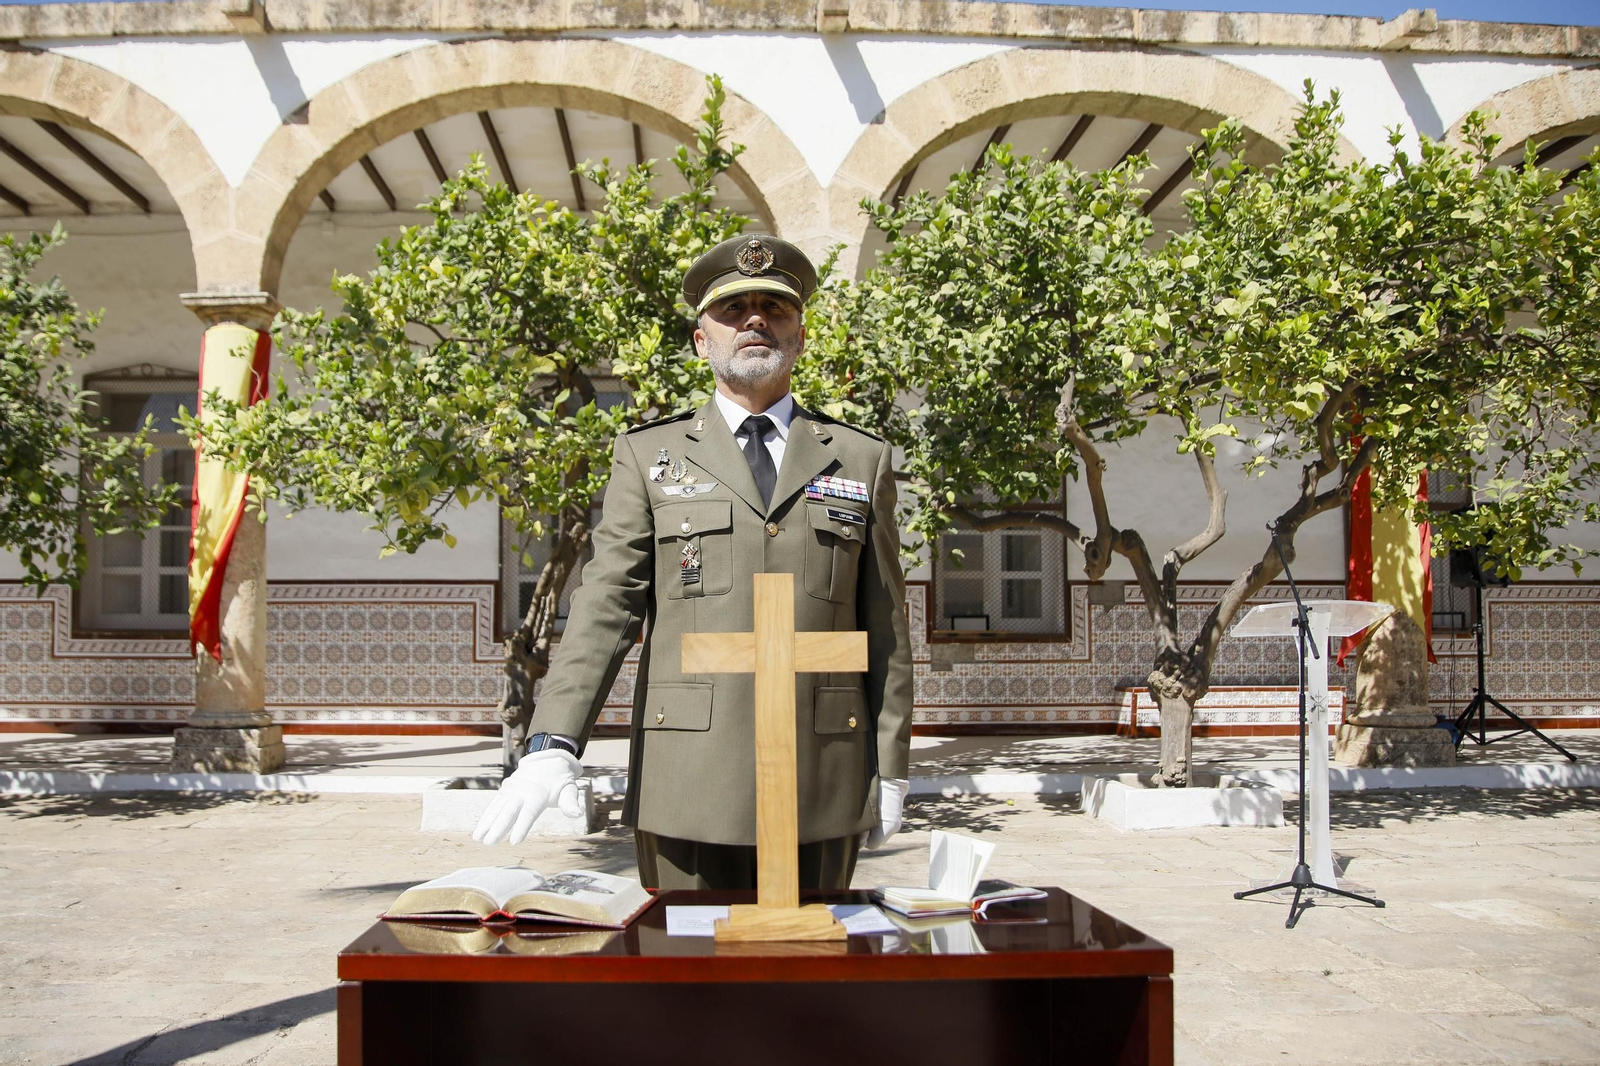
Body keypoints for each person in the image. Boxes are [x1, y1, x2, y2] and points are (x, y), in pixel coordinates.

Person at [472, 234, 914, 891]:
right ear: (702, 341)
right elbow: (606, 608)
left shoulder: (857, 459)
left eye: (775, 309)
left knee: (815, 976)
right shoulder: (648, 455)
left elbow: (886, 625)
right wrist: (551, 743)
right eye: (734, 311)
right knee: (684, 974)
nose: (755, 320)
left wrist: (892, 761)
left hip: (823, 771)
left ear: (798, 337)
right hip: (690, 774)